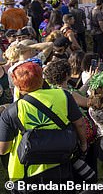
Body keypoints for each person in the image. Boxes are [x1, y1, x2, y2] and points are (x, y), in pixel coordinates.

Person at [0, 58, 87, 186]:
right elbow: (79, 123)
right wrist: (83, 144)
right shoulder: (63, 96)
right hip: (60, 165)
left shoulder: (12, 111)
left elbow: (3, 149)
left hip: (24, 174)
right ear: (42, 79)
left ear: (17, 85)